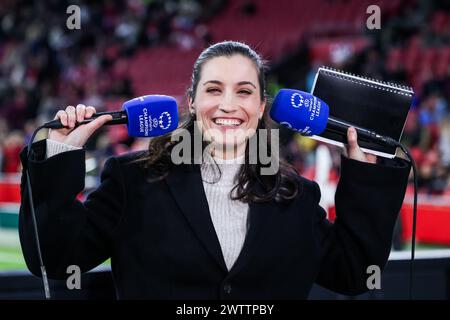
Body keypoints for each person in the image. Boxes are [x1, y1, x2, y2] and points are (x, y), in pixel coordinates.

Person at [19, 41, 411, 299]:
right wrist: (57, 154)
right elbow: (52, 259)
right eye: (213, 90)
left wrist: (366, 176)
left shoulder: (296, 195)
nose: (227, 105)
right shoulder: (132, 181)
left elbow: (355, 273)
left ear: (261, 108)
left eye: (243, 91)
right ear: (191, 102)